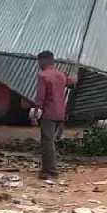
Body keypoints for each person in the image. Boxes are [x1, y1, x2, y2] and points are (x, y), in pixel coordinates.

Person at [30, 51, 76, 180]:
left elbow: (40, 97)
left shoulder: (43, 75)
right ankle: (47, 169)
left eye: (39, 61)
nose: (38, 64)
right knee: (52, 141)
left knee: (47, 142)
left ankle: (50, 171)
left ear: (43, 61)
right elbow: (71, 82)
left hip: (49, 113)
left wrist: (35, 113)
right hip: (61, 113)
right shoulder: (60, 75)